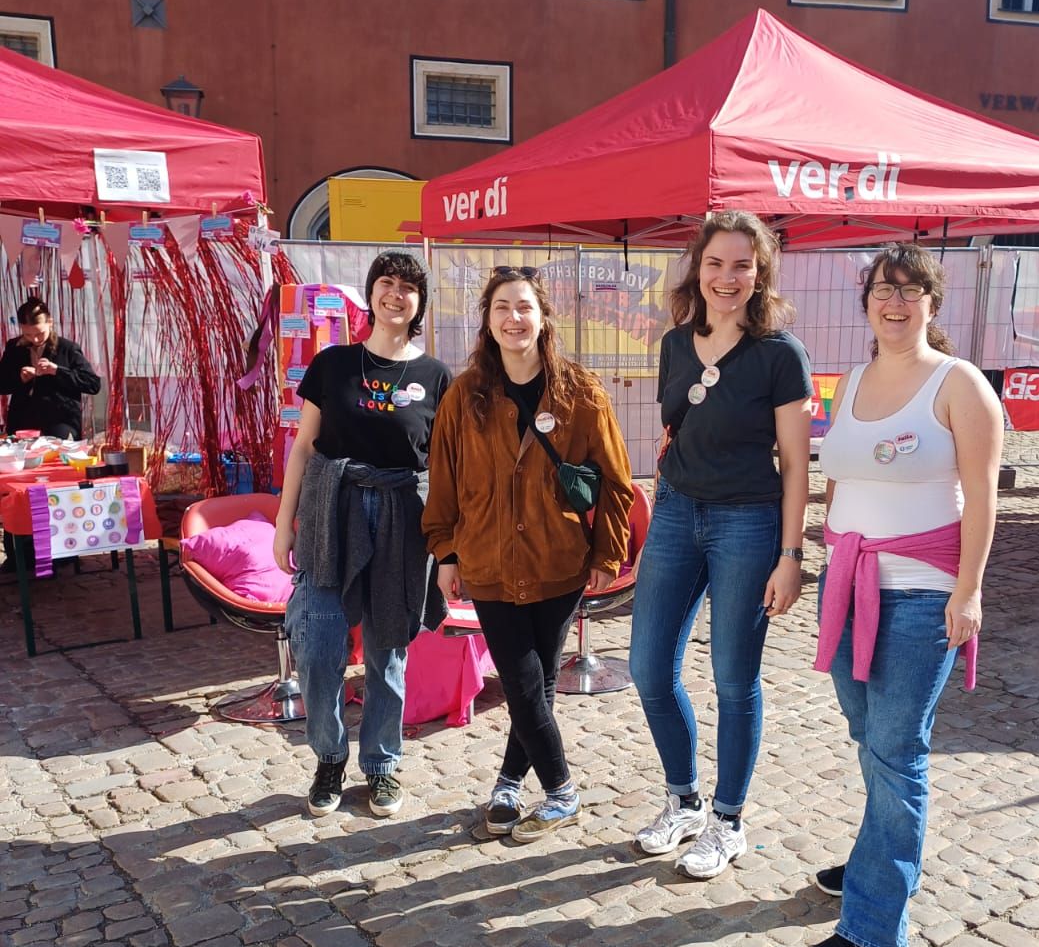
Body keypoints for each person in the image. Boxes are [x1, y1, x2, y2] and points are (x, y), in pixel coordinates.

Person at [809, 243, 1004, 947]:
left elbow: (984, 498)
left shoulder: (961, 385)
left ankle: (874, 922)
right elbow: (841, 479)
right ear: (867, 301)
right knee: (866, 731)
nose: (895, 302)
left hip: (924, 593)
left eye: (910, 290)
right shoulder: (852, 381)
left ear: (932, 302)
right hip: (848, 584)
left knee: (897, 747)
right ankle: (873, 853)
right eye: (883, 289)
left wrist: (970, 589)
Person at [629, 211, 813, 878]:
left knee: (734, 679)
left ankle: (728, 820)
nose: (727, 277)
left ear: (759, 272)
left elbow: (796, 463)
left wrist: (791, 556)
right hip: (677, 511)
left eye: (741, 265)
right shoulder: (676, 343)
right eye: (715, 264)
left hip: (748, 523)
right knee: (650, 667)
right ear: (696, 270)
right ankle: (683, 799)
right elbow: (676, 429)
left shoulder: (780, 354)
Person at [424, 265, 633, 844]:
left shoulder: (580, 393)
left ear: (542, 319)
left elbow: (617, 482)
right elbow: (443, 480)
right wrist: (445, 552)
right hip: (487, 564)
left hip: (557, 563)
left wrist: (604, 554)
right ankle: (562, 790)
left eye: (524, 307)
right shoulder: (464, 396)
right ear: (487, 323)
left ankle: (508, 784)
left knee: (536, 684)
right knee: (521, 680)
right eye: (501, 309)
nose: (513, 319)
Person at [273, 252, 450, 819]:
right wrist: (285, 521)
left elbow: (446, 469)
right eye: (386, 284)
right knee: (319, 646)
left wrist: (450, 548)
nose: (395, 295)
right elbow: (304, 447)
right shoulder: (333, 364)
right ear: (371, 294)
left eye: (407, 288)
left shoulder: (436, 377)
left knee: (387, 651)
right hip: (332, 513)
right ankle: (329, 755)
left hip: (404, 522)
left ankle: (381, 765)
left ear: (420, 303)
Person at [0, 297, 101, 440]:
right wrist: (19, 378)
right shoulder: (14, 347)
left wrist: (57, 371)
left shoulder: (67, 349)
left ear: (50, 323)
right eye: (28, 334)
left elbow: (93, 384)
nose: (35, 339)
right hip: (22, 421)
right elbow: (2, 384)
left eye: (40, 333)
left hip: (60, 420)